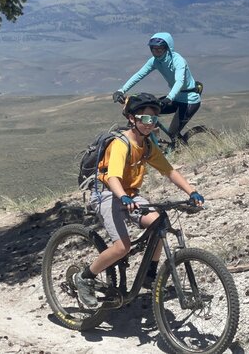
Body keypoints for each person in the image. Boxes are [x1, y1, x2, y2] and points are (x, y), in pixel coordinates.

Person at [73, 92, 205, 308]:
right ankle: (85, 278)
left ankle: (149, 275)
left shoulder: (147, 145)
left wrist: (191, 191)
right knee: (122, 247)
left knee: (159, 223)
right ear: (132, 119)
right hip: (107, 192)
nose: (149, 123)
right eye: (144, 118)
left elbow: (169, 171)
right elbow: (113, 176)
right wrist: (123, 196)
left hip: (129, 195)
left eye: (153, 119)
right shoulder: (121, 144)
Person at [112, 32, 201, 143]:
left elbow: (179, 81)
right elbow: (139, 75)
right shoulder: (155, 61)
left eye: (160, 49)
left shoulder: (178, 61)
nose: (156, 52)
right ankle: (155, 138)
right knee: (146, 112)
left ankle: (183, 151)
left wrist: (169, 98)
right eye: (153, 49)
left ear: (168, 48)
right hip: (175, 97)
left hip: (189, 100)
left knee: (173, 132)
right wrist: (121, 90)